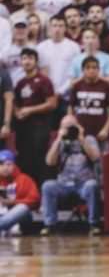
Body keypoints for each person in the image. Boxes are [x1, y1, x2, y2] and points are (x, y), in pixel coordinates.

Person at [40, 115, 102, 236]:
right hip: (63, 184)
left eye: (71, 126)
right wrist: (58, 139)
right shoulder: (59, 142)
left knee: (92, 185)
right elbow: (49, 162)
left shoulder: (88, 139)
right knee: (48, 186)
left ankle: (94, 224)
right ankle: (50, 225)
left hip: (84, 183)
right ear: (61, 128)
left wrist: (81, 139)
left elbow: (96, 157)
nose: (69, 129)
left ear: (78, 126)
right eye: (65, 127)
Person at [13, 48, 56, 186]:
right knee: (25, 161)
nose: (27, 61)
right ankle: (29, 195)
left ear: (36, 61)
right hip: (23, 129)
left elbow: (52, 103)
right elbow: (16, 104)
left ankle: (45, 195)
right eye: (24, 58)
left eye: (30, 58)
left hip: (40, 127)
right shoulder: (20, 83)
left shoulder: (44, 81)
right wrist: (17, 112)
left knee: (41, 160)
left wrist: (30, 110)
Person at [69, 56, 109, 149]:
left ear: (99, 70)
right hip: (81, 133)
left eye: (94, 67)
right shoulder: (77, 86)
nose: (91, 70)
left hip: (100, 132)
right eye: (88, 68)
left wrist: (106, 129)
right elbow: (70, 107)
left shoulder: (106, 86)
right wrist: (75, 127)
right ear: (82, 70)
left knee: (102, 162)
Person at [0, 149, 39, 236]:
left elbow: (34, 200)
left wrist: (14, 202)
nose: (5, 167)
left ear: (14, 165)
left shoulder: (24, 179)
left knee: (23, 208)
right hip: (1, 213)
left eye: (8, 164)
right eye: (1, 164)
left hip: (20, 216)